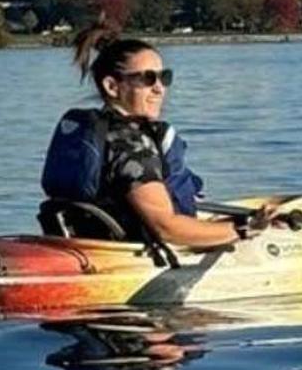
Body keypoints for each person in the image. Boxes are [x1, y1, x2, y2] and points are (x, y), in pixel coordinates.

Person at [41, 25, 272, 247]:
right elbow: (166, 228)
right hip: (126, 257)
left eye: (165, 77)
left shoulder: (89, 128)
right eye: (148, 79)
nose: (160, 88)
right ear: (112, 86)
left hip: (84, 242)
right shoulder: (131, 143)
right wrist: (243, 230)